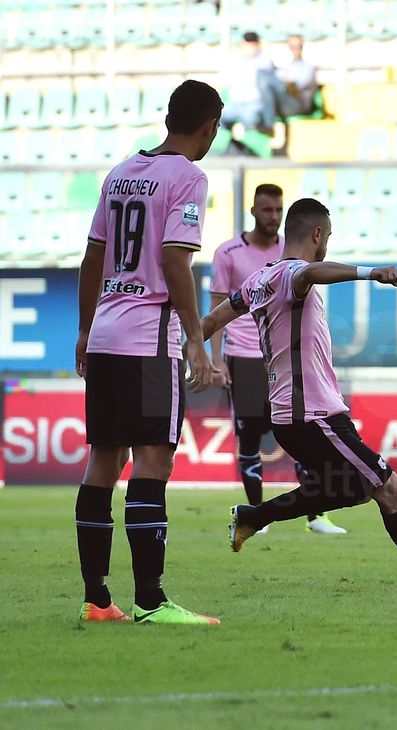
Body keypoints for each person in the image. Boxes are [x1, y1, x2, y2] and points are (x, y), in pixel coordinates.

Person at [200, 198, 397, 591]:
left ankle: (253, 517)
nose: (326, 243)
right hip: (311, 416)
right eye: (327, 236)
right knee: (390, 488)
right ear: (316, 234)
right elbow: (311, 271)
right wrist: (370, 273)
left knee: (349, 489)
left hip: (305, 415)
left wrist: (192, 351)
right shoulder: (292, 274)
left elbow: (212, 320)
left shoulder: (257, 280)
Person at [74, 80, 223, 625]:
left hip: (108, 334)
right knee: (154, 459)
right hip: (147, 343)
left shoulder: (119, 174)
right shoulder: (189, 176)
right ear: (208, 126)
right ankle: (152, 602)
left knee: (104, 462)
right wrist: (196, 342)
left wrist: (85, 331)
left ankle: (97, 599)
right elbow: (176, 261)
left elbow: (92, 258)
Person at [210, 183, 345, 535]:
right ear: (254, 211)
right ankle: (256, 511)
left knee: (302, 435)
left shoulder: (279, 262)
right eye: (266, 209)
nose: (271, 216)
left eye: (276, 210)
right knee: (252, 437)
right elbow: (216, 311)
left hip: (283, 361)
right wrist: (213, 359)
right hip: (243, 355)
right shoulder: (231, 254)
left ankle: (311, 517)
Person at [219, 32, 276, 135]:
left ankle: (250, 149)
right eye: (247, 43)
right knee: (215, 117)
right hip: (234, 103)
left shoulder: (264, 60)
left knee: (249, 118)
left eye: (253, 43)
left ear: (258, 44)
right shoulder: (234, 59)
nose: (250, 46)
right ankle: (225, 147)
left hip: (254, 103)